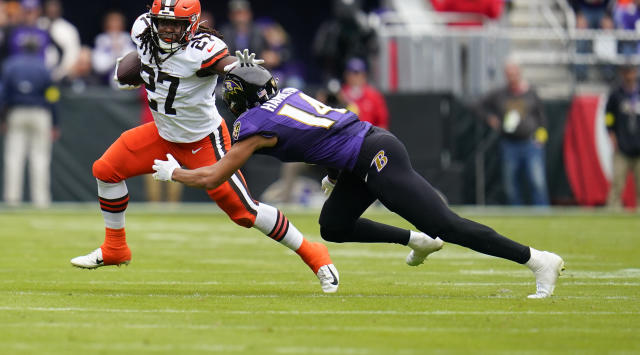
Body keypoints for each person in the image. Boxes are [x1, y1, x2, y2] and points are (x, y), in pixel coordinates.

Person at [152, 64, 565, 299]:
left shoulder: (255, 124)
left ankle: (537, 259)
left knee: (445, 223)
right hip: (359, 154)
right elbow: (323, 131)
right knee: (333, 226)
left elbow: (213, 177)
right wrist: (336, 173)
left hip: (374, 156)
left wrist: (175, 173)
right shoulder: (290, 94)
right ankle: (416, 241)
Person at [69, 0, 338, 293]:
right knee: (106, 170)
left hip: (203, 141)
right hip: (161, 133)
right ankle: (115, 247)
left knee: (244, 212)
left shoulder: (203, 50)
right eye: (163, 22)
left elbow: (225, 64)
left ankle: (313, 253)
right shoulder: (144, 29)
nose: (168, 29)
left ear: (193, 24)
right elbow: (138, 60)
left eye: (176, 24)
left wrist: (241, 67)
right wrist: (134, 70)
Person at [478, 59, 550, 206]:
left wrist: (541, 139)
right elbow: (478, 105)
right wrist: (490, 118)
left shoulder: (530, 93)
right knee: (510, 185)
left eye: (514, 73)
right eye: (508, 74)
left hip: (530, 143)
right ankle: (516, 213)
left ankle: (542, 212)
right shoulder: (500, 94)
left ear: (519, 73)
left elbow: (542, 118)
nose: (511, 77)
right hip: (509, 143)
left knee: (537, 182)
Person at [1, 38, 60, 207]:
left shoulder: (11, 65)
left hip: (16, 112)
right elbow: (52, 96)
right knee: (40, 158)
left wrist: (2, 118)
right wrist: (55, 122)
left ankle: (12, 199)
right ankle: (40, 200)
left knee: (14, 157)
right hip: (40, 114)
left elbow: (3, 94)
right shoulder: (43, 68)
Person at [605, 64, 640, 209]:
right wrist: (612, 135)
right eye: (626, 72)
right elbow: (608, 117)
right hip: (622, 146)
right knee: (618, 181)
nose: (629, 76)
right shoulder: (616, 94)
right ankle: (613, 208)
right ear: (622, 74)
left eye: (631, 72)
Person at [38, 0, 81, 82]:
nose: (52, 10)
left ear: (60, 10)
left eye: (55, 7)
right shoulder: (38, 24)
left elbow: (73, 54)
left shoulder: (68, 29)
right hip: (38, 73)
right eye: (50, 7)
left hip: (61, 75)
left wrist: (60, 73)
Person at [339, 57, 389, 129]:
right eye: (350, 73)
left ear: (364, 75)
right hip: (347, 136)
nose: (354, 77)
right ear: (346, 75)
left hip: (368, 136)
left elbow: (382, 122)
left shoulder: (373, 95)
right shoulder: (341, 93)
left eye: (356, 73)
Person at [91, 10, 136, 86]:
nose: (115, 25)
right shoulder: (101, 40)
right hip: (103, 84)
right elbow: (99, 67)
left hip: (125, 84)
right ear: (106, 25)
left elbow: (133, 63)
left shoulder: (127, 38)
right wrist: (114, 53)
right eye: (112, 22)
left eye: (117, 22)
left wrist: (120, 50)